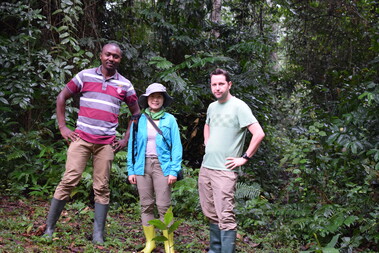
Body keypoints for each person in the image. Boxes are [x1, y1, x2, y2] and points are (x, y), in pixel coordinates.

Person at [42, 43, 140, 244]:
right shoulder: (84, 76)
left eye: (116, 56)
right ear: (101, 55)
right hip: (81, 139)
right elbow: (62, 96)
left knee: (102, 187)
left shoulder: (125, 85)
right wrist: (63, 127)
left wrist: (125, 138)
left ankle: (98, 235)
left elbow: (136, 114)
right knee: (69, 180)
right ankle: (49, 228)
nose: (111, 59)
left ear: (120, 59)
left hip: (106, 144)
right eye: (108, 55)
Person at [198, 68, 265, 253]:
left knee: (225, 215)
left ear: (229, 84)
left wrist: (244, 158)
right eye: (214, 84)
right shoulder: (212, 107)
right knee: (210, 213)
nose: (217, 88)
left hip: (224, 171)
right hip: (206, 167)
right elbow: (207, 124)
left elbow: (258, 133)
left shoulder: (239, 106)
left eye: (221, 84)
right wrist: (207, 141)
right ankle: (215, 249)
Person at [127, 83, 182, 253]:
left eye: (159, 96)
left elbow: (177, 147)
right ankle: (150, 243)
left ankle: (168, 244)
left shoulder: (170, 120)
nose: (155, 99)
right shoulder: (139, 120)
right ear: (147, 100)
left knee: (164, 205)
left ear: (163, 100)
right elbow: (132, 146)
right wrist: (131, 170)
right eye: (152, 96)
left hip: (162, 166)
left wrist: (174, 170)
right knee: (146, 205)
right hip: (141, 166)